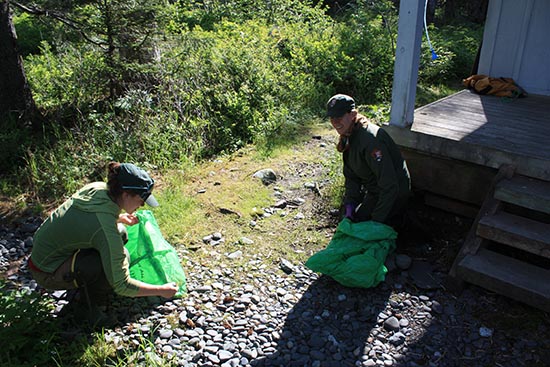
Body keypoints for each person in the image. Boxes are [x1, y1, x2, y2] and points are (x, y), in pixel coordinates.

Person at [28, 162, 179, 326]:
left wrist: (119, 218)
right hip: (47, 272)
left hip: (42, 255)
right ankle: (86, 309)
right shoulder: (104, 227)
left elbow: (87, 219)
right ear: (126, 195)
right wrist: (161, 290)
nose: (141, 205)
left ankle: (84, 285)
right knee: (117, 259)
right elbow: (122, 284)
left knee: (120, 231)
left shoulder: (98, 188)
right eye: (141, 200)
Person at [327, 94, 411, 227]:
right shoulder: (348, 135)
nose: (335, 122)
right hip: (375, 192)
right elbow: (351, 177)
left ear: (353, 114)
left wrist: (376, 221)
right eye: (332, 117)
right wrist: (350, 204)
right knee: (355, 223)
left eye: (339, 117)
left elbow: (390, 185)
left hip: (394, 194)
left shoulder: (371, 140)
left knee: (372, 230)